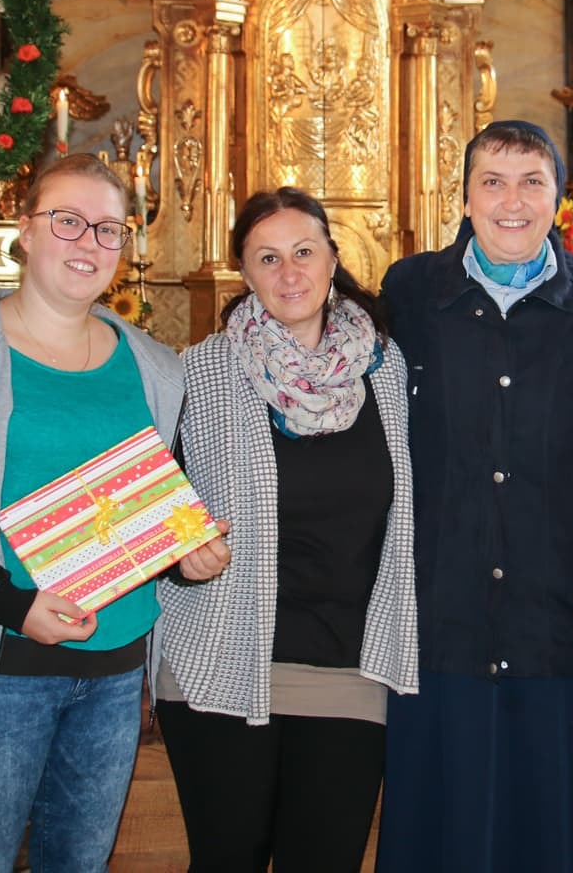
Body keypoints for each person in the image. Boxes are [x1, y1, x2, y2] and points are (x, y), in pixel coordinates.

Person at [0, 153, 216, 873]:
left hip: (115, 670)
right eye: (67, 221)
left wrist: (188, 556)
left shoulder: (154, 365)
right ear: (23, 232)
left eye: (108, 229)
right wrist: (13, 604)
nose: (89, 243)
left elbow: (155, 509)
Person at [377, 120, 573, 871]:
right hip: (444, 614)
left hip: (559, 619)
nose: (512, 201)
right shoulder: (412, 292)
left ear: (559, 198)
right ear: (464, 198)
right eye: (492, 183)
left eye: (532, 182)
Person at [155, 187, 418, 873]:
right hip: (220, 657)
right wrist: (181, 553)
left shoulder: (388, 371)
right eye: (267, 258)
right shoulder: (199, 371)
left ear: (333, 258)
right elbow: (149, 505)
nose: (290, 272)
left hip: (349, 667)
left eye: (304, 252)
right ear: (244, 272)